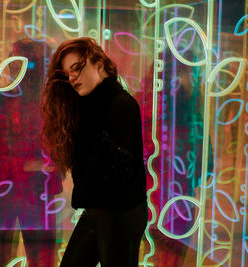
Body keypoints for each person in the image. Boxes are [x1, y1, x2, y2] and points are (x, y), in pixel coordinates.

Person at [41, 37, 148, 267]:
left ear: (98, 64)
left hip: (122, 213)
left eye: (77, 68)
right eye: (67, 73)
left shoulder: (121, 104)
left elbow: (120, 170)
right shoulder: (88, 106)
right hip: (99, 210)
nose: (72, 78)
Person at [0, 38, 62, 267]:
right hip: (16, 195)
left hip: (23, 195)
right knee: (13, 259)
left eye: (33, 64)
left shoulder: (48, 103)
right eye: (21, 64)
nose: (27, 71)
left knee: (24, 259)